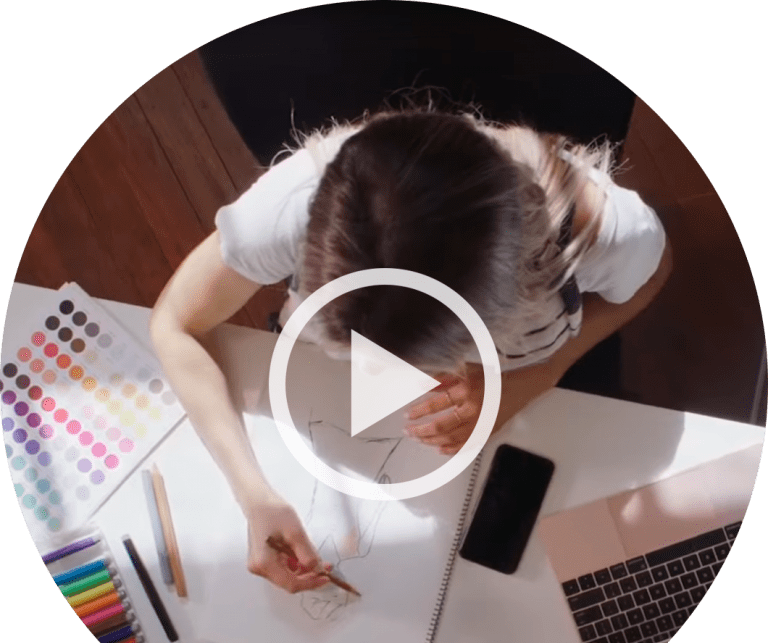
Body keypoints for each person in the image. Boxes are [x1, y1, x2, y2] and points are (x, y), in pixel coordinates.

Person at [149, 108, 672, 594]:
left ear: (506, 310)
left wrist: (540, 374)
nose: (388, 374)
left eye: (419, 358)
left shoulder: (603, 234)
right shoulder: (287, 209)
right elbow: (174, 324)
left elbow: (653, 275)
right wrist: (254, 496)